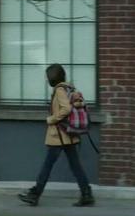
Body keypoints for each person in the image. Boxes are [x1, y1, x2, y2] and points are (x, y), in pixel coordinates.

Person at [18, 64, 95, 207]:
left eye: (48, 77)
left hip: (59, 135)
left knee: (47, 165)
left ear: (53, 77)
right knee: (75, 165)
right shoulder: (69, 88)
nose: (47, 80)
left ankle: (34, 194)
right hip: (69, 134)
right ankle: (86, 194)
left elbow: (66, 109)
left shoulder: (59, 90)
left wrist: (51, 119)